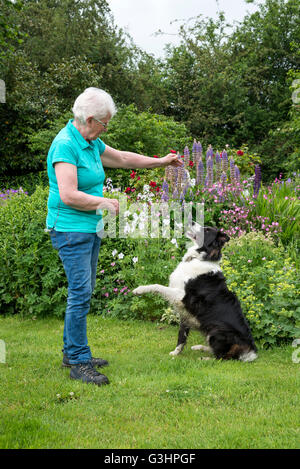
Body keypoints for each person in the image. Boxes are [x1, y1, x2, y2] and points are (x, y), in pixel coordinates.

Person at [46, 87, 182, 386]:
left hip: (89, 227)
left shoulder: (89, 141)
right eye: (104, 124)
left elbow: (121, 158)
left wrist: (161, 161)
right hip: (69, 229)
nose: (105, 129)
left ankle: (73, 352)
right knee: (80, 292)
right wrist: (102, 203)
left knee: (84, 289)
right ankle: (79, 361)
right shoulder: (65, 145)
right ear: (90, 118)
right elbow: (68, 195)